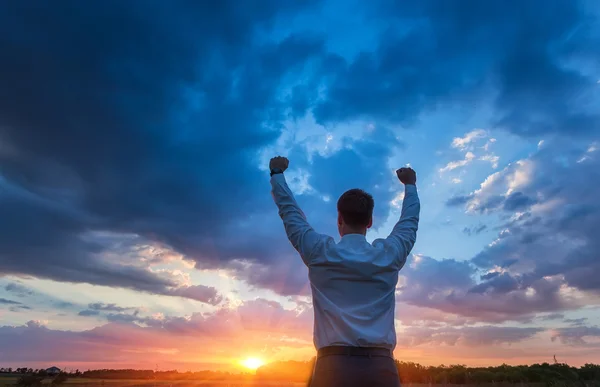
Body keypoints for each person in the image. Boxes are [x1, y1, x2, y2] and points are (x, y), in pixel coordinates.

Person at [269, 156, 420, 387]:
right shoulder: (388, 255)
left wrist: (277, 173)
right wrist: (410, 185)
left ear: (339, 219)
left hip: (332, 369)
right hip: (381, 370)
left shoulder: (319, 252)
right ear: (370, 221)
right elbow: (409, 222)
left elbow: (290, 213)